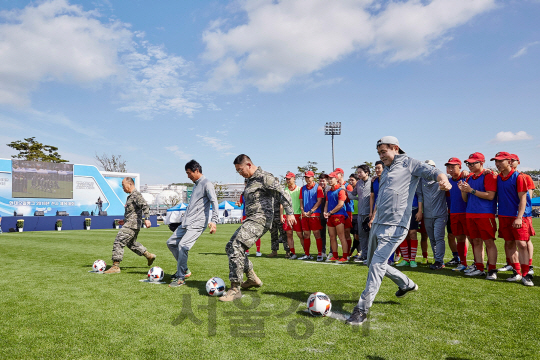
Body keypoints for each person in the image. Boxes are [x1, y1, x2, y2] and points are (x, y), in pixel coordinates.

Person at [346, 136, 451, 325]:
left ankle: (361, 309)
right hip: (378, 223)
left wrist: (444, 181)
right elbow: (381, 197)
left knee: (377, 264)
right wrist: (373, 216)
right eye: (379, 153)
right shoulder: (385, 170)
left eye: (383, 152)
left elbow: (435, 172)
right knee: (373, 264)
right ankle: (406, 284)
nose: (381, 156)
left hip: (396, 225)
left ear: (395, 148)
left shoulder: (410, 164)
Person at [220, 154, 294, 302]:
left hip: (261, 218)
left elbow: (282, 193)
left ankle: (235, 289)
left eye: (240, 170)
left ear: (248, 165)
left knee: (236, 245)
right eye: (237, 171)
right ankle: (252, 278)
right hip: (251, 219)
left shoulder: (265, 177)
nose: (239, 173)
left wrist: (289, 213)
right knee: (230, 247)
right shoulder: (250, 180)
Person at [167, 160, 218, 287]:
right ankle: (185, 269)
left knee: (183, 246)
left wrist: (214, 221)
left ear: (196, 170)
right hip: (186, 222)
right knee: (171, 243)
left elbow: (214, 202)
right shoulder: (196, 184)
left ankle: (180, 277)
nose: (188, 176)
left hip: (197, 223)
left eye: (189, 173)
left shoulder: (207, 184)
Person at [492, 152, 533, 285]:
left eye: (500, 161)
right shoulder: (497, 177)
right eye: (496, 162)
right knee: (509, 243)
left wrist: (519, 217)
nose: (497, 164)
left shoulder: (519, 177)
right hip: (504, 216)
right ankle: (517, 272)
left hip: (519, 216)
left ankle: (526, 274)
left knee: (522, 244)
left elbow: (523, 198)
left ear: (509, 162)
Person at [458, 152, 498, 279]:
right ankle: (479, 267)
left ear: (481, 163)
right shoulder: (469, 178)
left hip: (485, 214)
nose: (469, 165)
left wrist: (471, 190)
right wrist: (463, 191)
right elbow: (465, 199)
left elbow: (490, 195)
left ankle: (492, 270)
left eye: (472, 163)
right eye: (468, 163)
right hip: (471, 213)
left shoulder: (489, 175)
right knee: (476, 241)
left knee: (489, 242)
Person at [104, 177, 156, 274]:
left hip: (132, 225)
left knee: (119, 241)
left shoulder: (136, 195)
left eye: (123, 185)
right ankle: (149, 256)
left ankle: (115, 266)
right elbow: (133, 212)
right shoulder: (131, 196)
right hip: (131, 223)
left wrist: (147, 219)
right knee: (131, 243)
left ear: (130, 184)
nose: (123, 188)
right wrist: (124, 220)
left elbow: (145, 206)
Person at [417, 160, 449, 270]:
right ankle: (437, 260)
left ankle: (439, 261)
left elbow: (455, 176)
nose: (429, 169)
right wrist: (420, 211)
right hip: (427, 215)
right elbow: (420, 196)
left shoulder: (442, 177)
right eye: (427, 167)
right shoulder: (421, 180)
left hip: (440, 214)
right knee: (432, 238)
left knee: (439, 237)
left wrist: (464, 171)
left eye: (431, 167)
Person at [445, 157, 470, 272]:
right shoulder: (448, 182)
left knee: (473, 239)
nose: (450, 169)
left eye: (452, 167)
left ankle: (477, 263)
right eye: (448, 167)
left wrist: (467, 172)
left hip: (466, 213)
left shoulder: (466, 178)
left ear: (460, 167)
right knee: (459, 238)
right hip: (453, 213)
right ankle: (462, 263)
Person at [346, 166, 371, 263]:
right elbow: (352, 195)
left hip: (370, 214)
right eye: (358, 172)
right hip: (360, 213)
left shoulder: (373, 182)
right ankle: (364, 255)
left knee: (371, 236)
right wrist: (345, 190)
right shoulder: (359, 183)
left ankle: (370, 255)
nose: (359, 174)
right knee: (362, 235)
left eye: (360, 172)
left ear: (367, 172)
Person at [323, 172, 349, 262]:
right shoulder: (328, 192)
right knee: (332, 237)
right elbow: (326, 203)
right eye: (328, 179)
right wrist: (325, 212)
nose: (329, 180)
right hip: (330, 216)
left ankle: (345, 257)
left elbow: (340, 204)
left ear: (336, 179)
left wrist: (329, 212)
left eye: (331, 178)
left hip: (339, 215)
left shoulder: (341, 190)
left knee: (341, 236)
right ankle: (335, 256)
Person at [299, 171, 325, 261]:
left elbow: (319, 201)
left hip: (314, 215)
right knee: (306, 235)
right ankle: (307, 254)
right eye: (306, 177)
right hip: (305, 215)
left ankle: (319, 254)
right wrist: (302, 211)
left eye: (309, 177)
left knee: (317, 234)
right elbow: (301, 201)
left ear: (313, 177)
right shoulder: (302, 188)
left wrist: (311, 211)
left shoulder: (318, 187)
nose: (307, 179)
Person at [282, 172, 305, 260]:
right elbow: (282, 205)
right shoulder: (284, 190)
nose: (288, 180)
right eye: (286, 179)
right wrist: (281, 215)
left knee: (300, 235)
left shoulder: (300, 189)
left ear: (294, 179)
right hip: (286, 215)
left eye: (289, 178)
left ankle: (306, 252)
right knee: (289, 234)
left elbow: (302, 202)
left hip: (297, 215)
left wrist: (302, 213)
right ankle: (293, 253)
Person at [335, 168, 353, 258]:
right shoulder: (335, 186)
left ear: (341, 174)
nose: (335, 176)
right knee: (338, 234)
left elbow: (350, 199)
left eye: (336, 174)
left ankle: (348, 253)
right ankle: (340, 253)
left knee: (346, 233)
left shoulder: (348, 185)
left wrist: (344, 190)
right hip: (337, 213)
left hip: (347, 212)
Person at [318, 174, 330, 258]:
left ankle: (332, 252)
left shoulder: (329, 189)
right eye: (320, 180)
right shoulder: (317, 189)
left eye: (324, 181)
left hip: (329, 215)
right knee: (321, 234)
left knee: (331, 235)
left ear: (327, 181)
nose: (322, 182)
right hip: (320, 216)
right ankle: (322, 251)